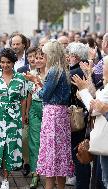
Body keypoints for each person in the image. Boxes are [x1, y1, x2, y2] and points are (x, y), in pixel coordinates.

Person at [25, 40, 73, 189]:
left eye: (45, 54)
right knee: (61, 155)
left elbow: (45, 94)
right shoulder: (64, 69)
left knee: (51, 154)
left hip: (52, 114)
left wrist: (36, 83)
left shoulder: (53, 70)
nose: (43, 57)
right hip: (62, 114)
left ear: (51, 54)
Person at [0, 48, 27, 189]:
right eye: (2, 62)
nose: (5, 65)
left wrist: (22, 118)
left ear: (13, 62)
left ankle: (6, 178)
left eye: (8, 62)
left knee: (10, 147)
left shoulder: (20, 78)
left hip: (13, 119)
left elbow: (23, 100)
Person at [72, 55, 108, 188]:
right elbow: (96, 98)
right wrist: (87, 80)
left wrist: (83, 91)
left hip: (104, 137)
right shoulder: (105, 85)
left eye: (103, 65)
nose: (101, 68)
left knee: (105, 180)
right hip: (101, 136)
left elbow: (94, 109)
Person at [66, 42, 91, 188]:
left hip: (78, 117)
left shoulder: (75, 72)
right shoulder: (82, 68)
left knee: (79, 152)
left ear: (75, 56)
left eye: (69, 55)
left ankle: (82, 185)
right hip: (84, 115)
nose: (68, 57)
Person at [27, 48, 46, 189]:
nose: (37, 60)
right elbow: (28, 95)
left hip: (48, 109)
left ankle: (54, 173)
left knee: (50, 142)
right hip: (34, 108)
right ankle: (35, 173)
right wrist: (26, 112)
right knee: (34, 142)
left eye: (40, 58)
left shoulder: (51, 73)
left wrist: (38, 81)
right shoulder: (31, 73)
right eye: (36, 58)